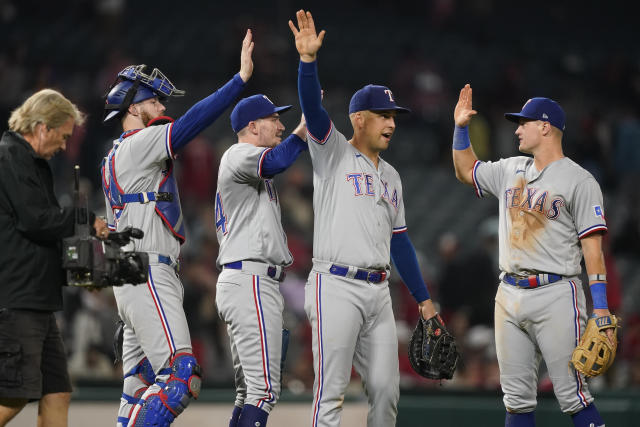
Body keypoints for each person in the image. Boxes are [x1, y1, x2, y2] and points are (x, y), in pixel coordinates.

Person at [289, 10, 440, 427]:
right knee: (331, 393)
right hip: (335, 285)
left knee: (387, 394)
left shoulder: (392, 176)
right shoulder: (332, 151)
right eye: (384, 116)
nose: (392, 123)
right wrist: (308, 63)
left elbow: (401, 242)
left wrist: (424, 300)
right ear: (359, 119)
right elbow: (312, 111)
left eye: (394, 117)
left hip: (379, 294)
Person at [100, 31, 254, 427]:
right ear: (132, 106)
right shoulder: (138, 144)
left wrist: (130, 308)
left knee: (137, 389)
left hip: (131, 276)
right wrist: (238, 81)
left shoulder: (113, 157)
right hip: (148, 270)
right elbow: (191, 123)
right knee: (181, 377)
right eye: (153, 99)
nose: (161, 106)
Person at [451, 84, 614, 427]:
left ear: (544, 126)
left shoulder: (579, 181)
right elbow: (466, 171)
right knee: (517, 401)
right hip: (508, 294)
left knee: (573, 395)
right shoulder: (511, 168)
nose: (517, 129)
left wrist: (599, 307)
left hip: (556, 292)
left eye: (523, 122)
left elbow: (592, 250)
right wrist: (460, 128)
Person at [0, 89, 108, 427]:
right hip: (18, 299)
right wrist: (84, 218)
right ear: (43, 126)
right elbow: (36, 220)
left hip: (38, 298)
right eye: (62, 137)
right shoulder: (10, 158)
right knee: (14, 396)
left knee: (57, 392)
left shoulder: (31, 163)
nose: (63, 146)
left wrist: (77, 275)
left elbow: (41, 232)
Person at [215, 94, 308, 427]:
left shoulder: (246, 162)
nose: (281, 125)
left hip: (246, 279)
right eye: (274, 119)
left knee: (249, 392)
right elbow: (278, 161)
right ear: (252, 127)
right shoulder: (240, 154)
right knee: (263, 391)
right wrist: (303, 128)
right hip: (250, 278)